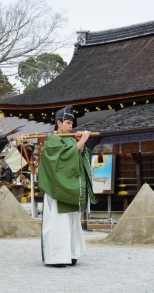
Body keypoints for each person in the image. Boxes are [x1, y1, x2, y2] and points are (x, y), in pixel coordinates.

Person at [38, 106, 97, 267]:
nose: (71, 126)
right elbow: (62, 159)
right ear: (59, 123)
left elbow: (79, 159)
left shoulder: (71, 140)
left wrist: (80, 144)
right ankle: (56, 257)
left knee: (71, 223)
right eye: (68, 123)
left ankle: (71, 254)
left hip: (70, 187)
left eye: (72, 123)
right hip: (56, 189)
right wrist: (82, 141)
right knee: (58, 223)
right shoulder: (53, 140)